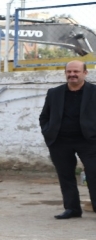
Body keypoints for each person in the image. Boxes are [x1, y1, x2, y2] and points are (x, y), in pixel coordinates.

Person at [39, 60, 96, 220]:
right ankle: (72, 209)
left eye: (76, 71)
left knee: (94, 173)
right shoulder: (54, 93)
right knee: (65, 175)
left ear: (85, 73)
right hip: (60, 141)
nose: (72, 74)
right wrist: (48, 132)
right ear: (65, 73)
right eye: (69, 71)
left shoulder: (94, 91)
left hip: (89, 141)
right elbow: (44, 116)